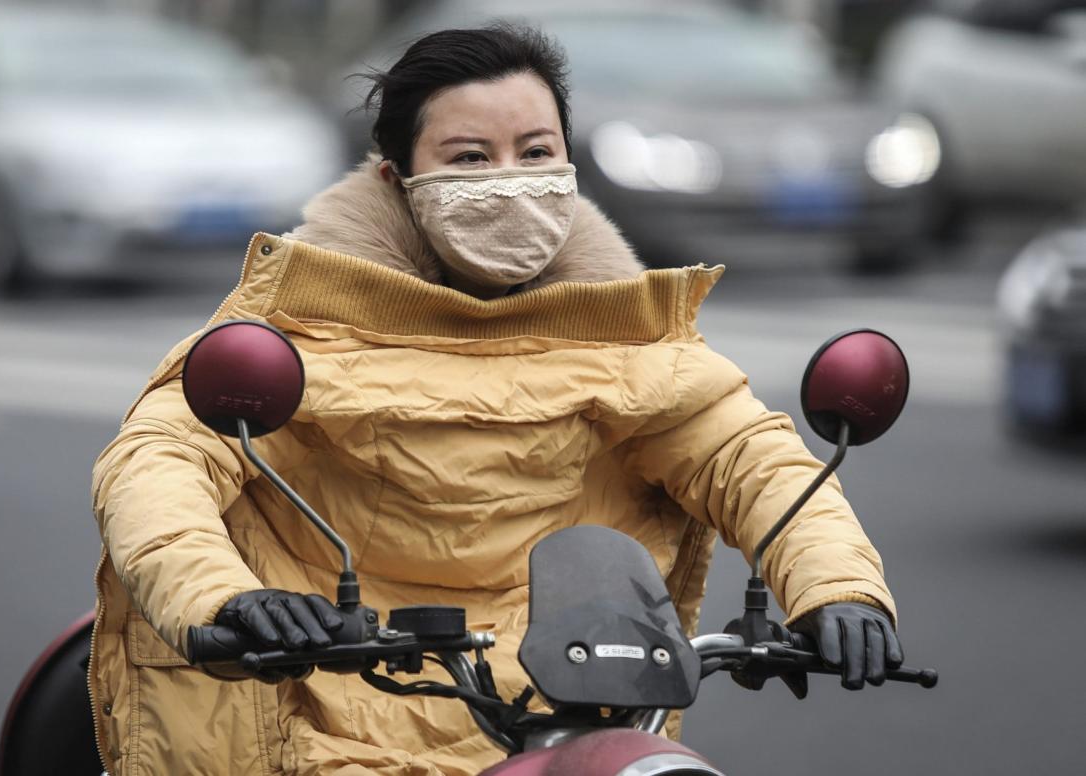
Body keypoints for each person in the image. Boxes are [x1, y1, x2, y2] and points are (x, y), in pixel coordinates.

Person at [89, 24, 902, 776]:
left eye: (535, 151)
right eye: (470, 159)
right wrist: (225, 598)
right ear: (396, 180)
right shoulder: (293, 328)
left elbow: (749, 457)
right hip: (321, 724)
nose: (509, 182)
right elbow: (157, 464)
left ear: (570, 169)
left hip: (569, 724)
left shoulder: (633, 339)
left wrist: (837, 588)